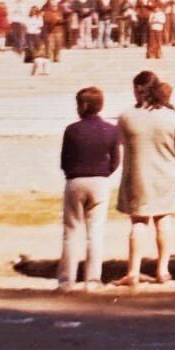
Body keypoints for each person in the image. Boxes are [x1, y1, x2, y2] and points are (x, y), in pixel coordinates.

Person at [115, 71, 175, 285]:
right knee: (163, 221)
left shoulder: (127, 116)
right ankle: (162, 270)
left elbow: (121, 142)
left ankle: (133, 271)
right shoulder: (169, 116)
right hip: (165, 174)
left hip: (137, 175)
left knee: (138, 223)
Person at [56, 86, 122, 292]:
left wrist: (72, 173)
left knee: (72, 231)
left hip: (76, 180)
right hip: (100, 181)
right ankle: (92, 280)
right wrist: (104, 173)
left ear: (83, 106)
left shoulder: (72, 130)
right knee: (96, 232)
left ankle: (66, 281)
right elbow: (115, 160)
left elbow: (64, 159)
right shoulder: (111, 130)